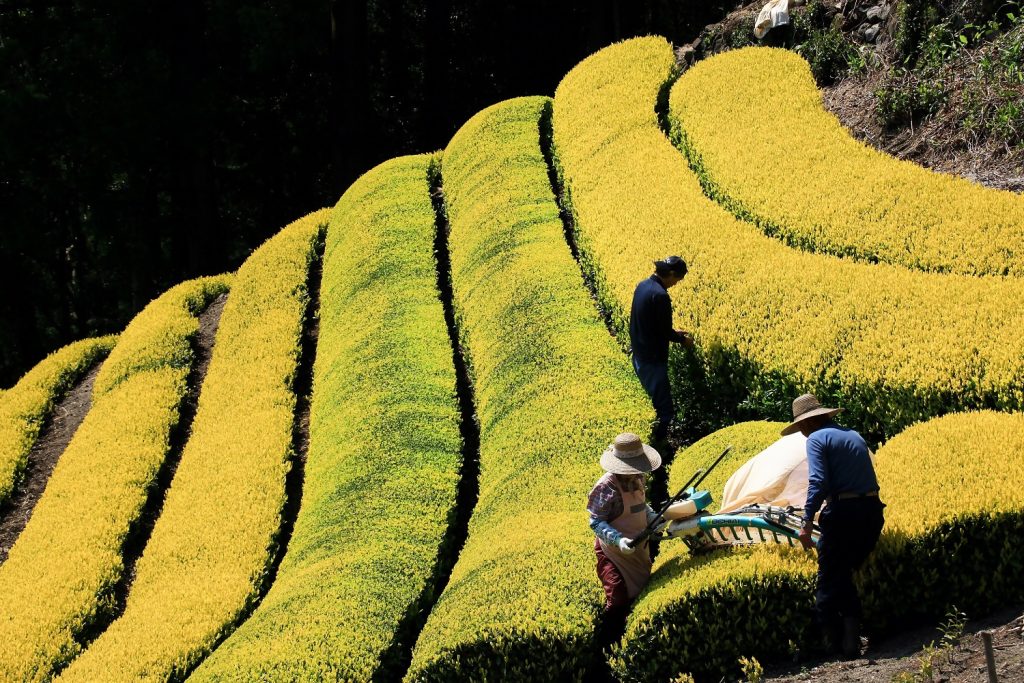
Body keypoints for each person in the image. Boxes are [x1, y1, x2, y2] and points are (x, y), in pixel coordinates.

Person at [781, 393, 885, 659]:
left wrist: (806, 521)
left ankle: (829, 646)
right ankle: (851, 643)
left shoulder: (816, 439)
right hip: (872, 513)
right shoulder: (853, 434)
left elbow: (818, 482)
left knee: (827, 581)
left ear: (806, 424)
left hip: (843, 516)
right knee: (843, 575)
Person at [587, 432, 662, 633]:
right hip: (613, 553)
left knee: (640, 589)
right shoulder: (606, 486)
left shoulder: (638, 477)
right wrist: (618, 540)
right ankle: (612, 640)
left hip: (638, 547)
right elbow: (595, 521)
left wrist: (653, 517)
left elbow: (641, 506)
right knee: (618, 598)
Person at [628, 256, 694, 441]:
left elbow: (651, 323)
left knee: (650, 399)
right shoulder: (661, 296)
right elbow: (664, 331)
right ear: (671, 274)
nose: (675, 284)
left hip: (640, 354)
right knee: (664, 409)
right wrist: (683, 340)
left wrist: (675, 333)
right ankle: (658, 446)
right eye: (677, 280)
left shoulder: (642, 285)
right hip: (653, 360)